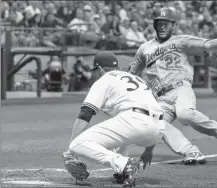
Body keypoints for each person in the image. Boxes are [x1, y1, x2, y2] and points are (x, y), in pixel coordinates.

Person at [128, 7, 217, 164]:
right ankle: (191, 151)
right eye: (159, 23)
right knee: (155, 124)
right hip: (160, 99)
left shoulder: (182, 41)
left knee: (184, 114)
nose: (162, 26)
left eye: (166, 23)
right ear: (155, 26)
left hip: (180, 88)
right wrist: (148, 150)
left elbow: (208, 45)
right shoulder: (144, 48)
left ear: (173, 26)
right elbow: (131, 74)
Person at [62, 51, 165, 187]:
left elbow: (85, 114)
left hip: (135, 121)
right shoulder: (137, 79)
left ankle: (124, 164)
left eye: (94, 71)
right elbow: (153, 113)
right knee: (122, 126)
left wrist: (71, 152)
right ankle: (121, 172)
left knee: (76, 144)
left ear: (99, 69)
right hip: (158, 129)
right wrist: (148, 150)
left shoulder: (105, 79)